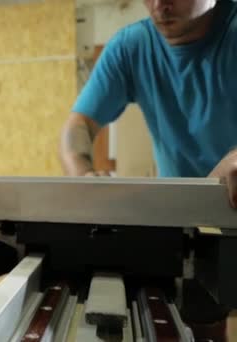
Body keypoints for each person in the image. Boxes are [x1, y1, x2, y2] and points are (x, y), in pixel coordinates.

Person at [59, 0, 237, 340]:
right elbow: (78, 126)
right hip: (186, 226)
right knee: (201, 324)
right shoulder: (131, 46)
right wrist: (82, 175)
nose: (159, 5)